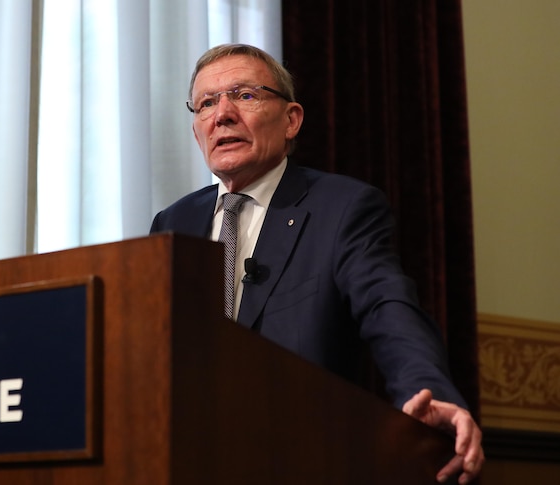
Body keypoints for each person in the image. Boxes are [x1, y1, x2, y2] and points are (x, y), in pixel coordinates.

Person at [150, 43, 484, 484]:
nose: (222, 114)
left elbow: (388, 308)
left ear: (292, 120)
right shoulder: (172, 223)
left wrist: (430, 392)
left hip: (302, 459)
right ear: (197, 130)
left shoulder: (342, 208)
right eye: (207, 103)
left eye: (244, 95)